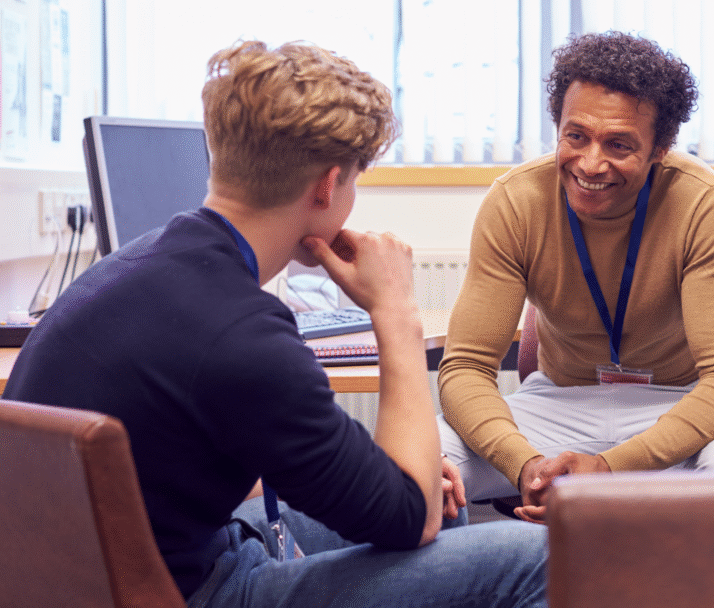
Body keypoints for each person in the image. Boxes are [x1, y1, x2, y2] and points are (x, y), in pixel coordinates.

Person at [3, 40, 546, 607]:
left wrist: (402, 488)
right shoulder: (245, 336)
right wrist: (396, 311)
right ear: (327, 185)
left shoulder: (133, 266)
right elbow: (410, 519)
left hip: (123, 569)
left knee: (446, 507)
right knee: (541, 558)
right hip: (197, 591)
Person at [438, 31, 714, 524]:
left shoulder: (701, 201)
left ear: (660, 147)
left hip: (676, 406)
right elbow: (465, 369)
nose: (591, 163)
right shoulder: (516, 201)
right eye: (575, 136)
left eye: (618, 144)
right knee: (423, 459)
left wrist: (609, 467)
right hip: (558, 405)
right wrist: (527, 465)